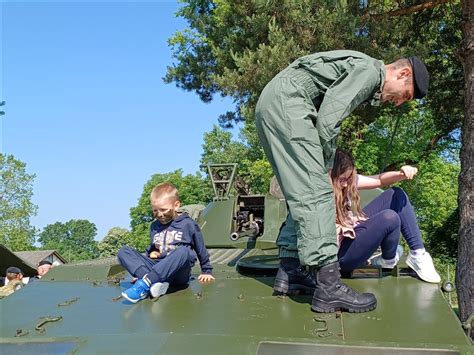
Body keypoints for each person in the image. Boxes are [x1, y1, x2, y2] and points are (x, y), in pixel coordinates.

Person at [255, 50, 429, 313]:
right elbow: (328, 119)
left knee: (300, 192)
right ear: (403, 73)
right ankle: (329, 286)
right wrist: (324, 167)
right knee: (318, 192)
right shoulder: (370, 71)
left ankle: (290, 271)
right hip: (288, 103)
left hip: (273, 104)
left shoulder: (362, 66)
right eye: (405, 95)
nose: (398, 103)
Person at [332, 149, 441, 283]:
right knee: (389, 218)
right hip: (339, 258)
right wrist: (349, 225)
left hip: (350, 233)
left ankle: (417, 254)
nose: (345, 184)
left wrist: (401, 174)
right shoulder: (319, 191)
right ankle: (389, 260)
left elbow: (379, 179)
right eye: (342, 179)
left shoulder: (347, 182)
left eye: (348, 179)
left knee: (396, 195)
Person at [118, 182, 215, 303]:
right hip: (158, 267)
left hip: (178, 273)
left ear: (176, 205)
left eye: (163, 209)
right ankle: (148, 279)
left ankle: (144, 284)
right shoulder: (154, 226)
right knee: (123, 252)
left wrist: (206, 271)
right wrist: (145, 264)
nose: (159, 214)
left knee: (184, 251)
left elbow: (200, 247)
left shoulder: (188, 224)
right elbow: (153, 249)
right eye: (155, 211)